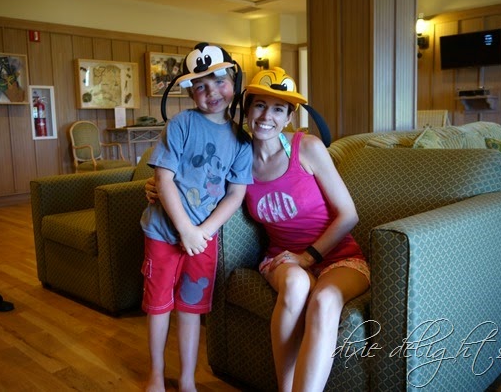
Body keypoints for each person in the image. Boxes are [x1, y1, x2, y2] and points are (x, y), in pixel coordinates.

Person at [147, 67, 369, 392]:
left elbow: (349, 215)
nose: (267, 116)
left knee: (324, 300)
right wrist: (153, 187)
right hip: (281, 259)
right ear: (247, 109)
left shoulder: (307, 148)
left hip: (339, 257)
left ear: (289, 116)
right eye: (260, 106)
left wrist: (308, 256)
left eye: (278, 109)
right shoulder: (238, 156)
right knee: (295, 285)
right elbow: (194, 179)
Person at [139, 42, 253, 392]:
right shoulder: (181, 124)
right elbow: (163, 179)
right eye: (200, 86)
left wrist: (202, 232)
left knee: (191, 307)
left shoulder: (241, 141)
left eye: (219, 81)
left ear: (233, 82)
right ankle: (156, 373)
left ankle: (187, 377)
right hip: (163, 232)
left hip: (204, 238)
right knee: (159, 305)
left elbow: (235, 194)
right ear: (190, 92)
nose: (212, 92)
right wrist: (185, 229)